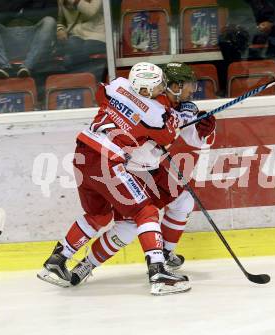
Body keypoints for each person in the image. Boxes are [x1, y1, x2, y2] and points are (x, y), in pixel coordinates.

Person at [37, 62, 191, 296]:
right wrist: (183, 116)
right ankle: (159, 272)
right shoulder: (155, 112)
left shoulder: (117, 85)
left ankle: (57, 260)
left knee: (98, 215)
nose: (163, 86)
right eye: (159, 84)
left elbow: (101, 94)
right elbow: (166, 134)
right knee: (145, 211)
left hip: (82, 154)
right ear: (147, 90)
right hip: (107, 160)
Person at [68, 62, 217, 286]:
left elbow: (195, 139)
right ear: (173, 85)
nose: (192, 90)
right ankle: (88, 264)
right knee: (128, 226)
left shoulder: (181, 106)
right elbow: (156, 125)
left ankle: (164, 256)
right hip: (126, 168)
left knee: (184, 198)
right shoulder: (150, 104)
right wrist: (179, 121)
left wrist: (204, 129)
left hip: (150, 168)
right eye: (188, 85)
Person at [0, 0, 57, 78]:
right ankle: (4, 66)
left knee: (49, 21)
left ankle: (27, 66)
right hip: (6, 35)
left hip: (33, 35)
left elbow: (51, 13)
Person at [56, 0, 106, 78]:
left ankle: (85, 81)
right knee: (71, 46)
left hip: (97, 34)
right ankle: (81, 81)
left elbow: (91, 11)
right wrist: (60, 29)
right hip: (75, 35)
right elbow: (60, 19)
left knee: (78, 53)